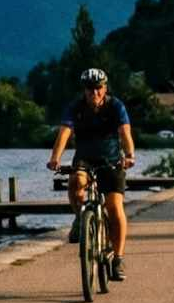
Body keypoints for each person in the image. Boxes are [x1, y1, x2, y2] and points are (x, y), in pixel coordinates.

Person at [46, 69, 135, 280]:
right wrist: (55, 158)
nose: (94, 92)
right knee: (76, 182)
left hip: (112, 160)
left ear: (105, 88)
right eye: (89, 89)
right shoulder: (75, 108)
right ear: (84, 90)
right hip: (85, 158)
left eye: (98, 88)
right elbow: (64, 133)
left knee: (114, 207)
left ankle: (118, 258)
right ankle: (80, 219)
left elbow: (124, 132)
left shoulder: (115, 106)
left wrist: (130, 154)